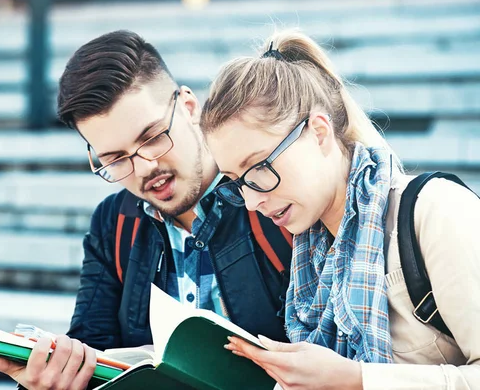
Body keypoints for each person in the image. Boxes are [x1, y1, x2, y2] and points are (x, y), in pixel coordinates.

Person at [0, 30, 292, 390]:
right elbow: (92, 348)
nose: (145, 167)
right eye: (116, 159)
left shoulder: (275, 196)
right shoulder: (114, 224)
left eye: (151, 137)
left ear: (190, 107)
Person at [199, 29, 480, 389]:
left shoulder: (435, 212)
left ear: (318, 132)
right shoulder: (312, 254)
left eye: (259, 170)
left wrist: (356, 379)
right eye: (237, 182)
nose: (252, 202)